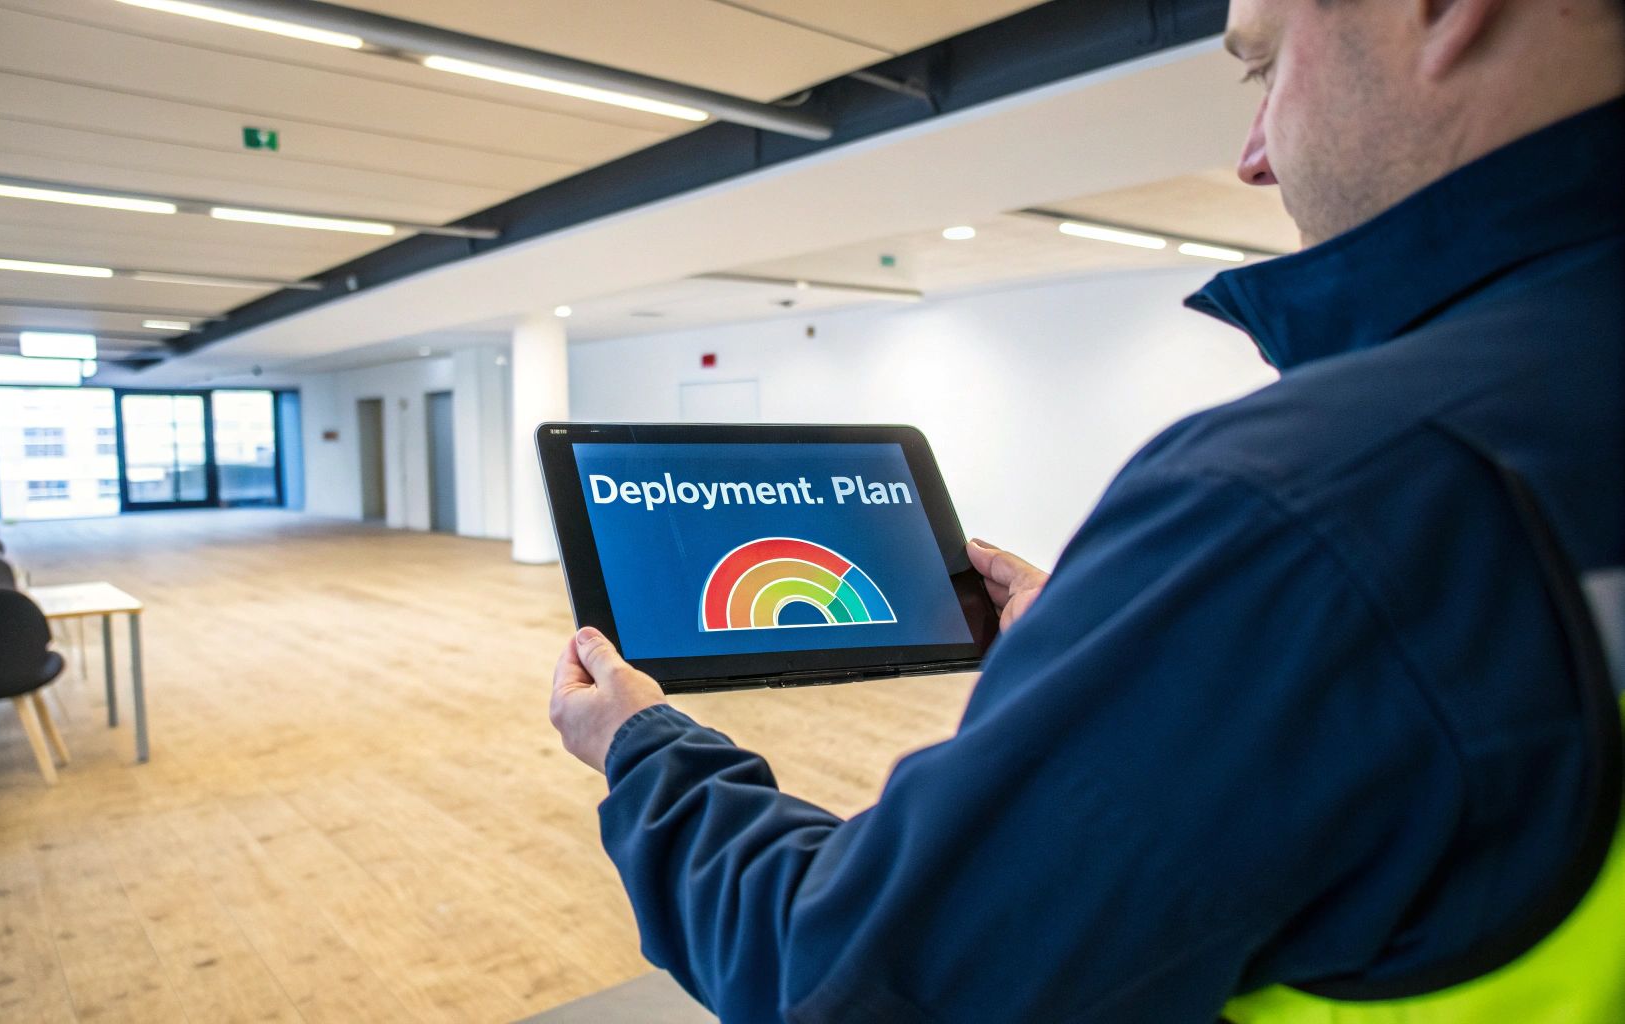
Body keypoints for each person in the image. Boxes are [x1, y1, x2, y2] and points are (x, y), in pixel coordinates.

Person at [547, 0, 1625, 1018]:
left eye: (1260, 63)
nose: (1251, 154)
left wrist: (644, 748)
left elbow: (853, 982)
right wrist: (1155, 643)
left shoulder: (1314, 501)